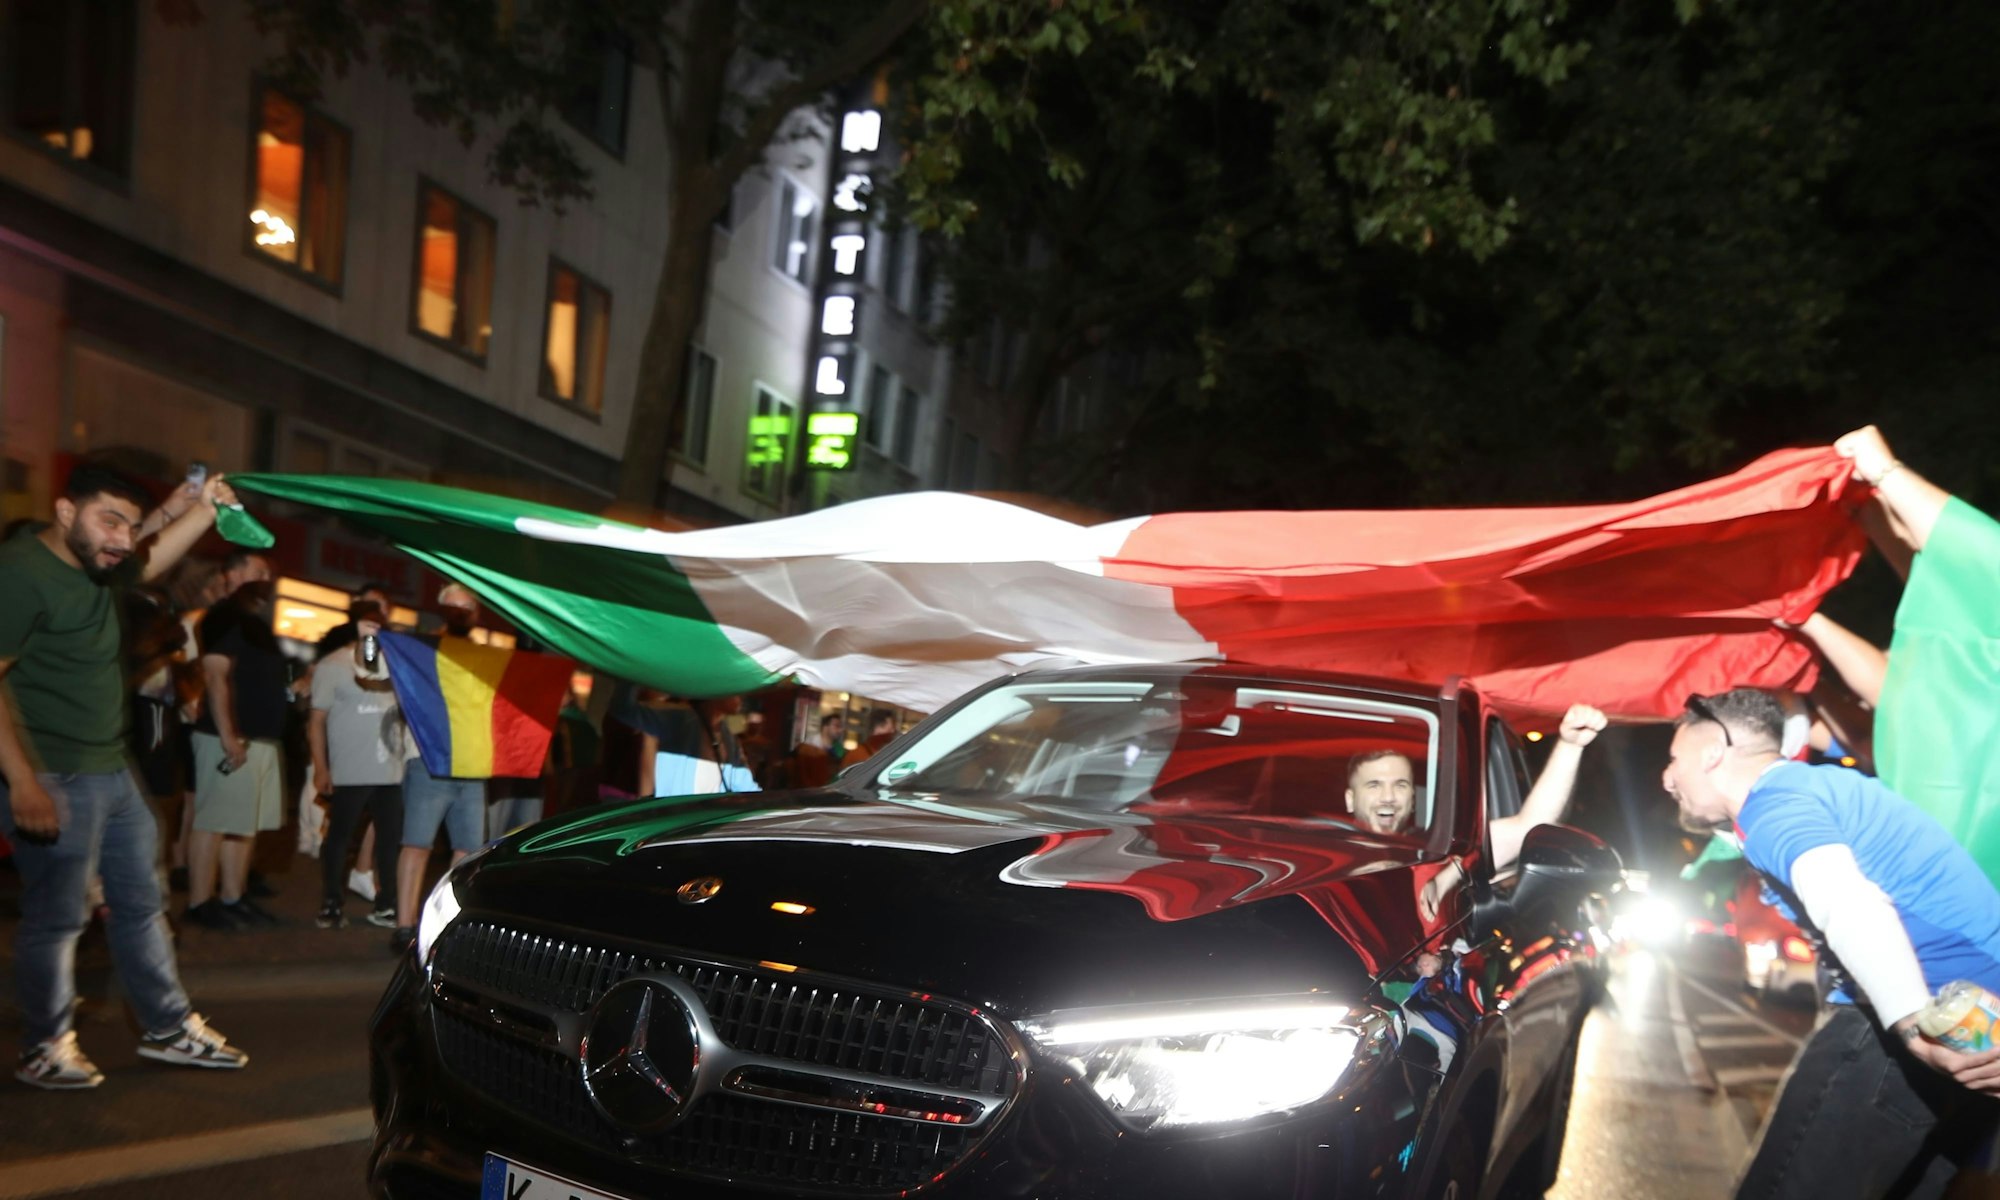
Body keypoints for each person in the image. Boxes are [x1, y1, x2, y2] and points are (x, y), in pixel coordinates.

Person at [1662, 687, 2000, 1197]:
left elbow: (1850, 904)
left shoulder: (1773, 807)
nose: (1667, 778)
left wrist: (1912, 1027)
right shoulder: (1818, 787)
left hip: (1927, 1020)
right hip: (1978, 1026)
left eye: (1673, 759)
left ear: (1713, 753)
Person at [0, 463, 250, 1089]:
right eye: (108, 520)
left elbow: (152, 557)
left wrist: (198, 509)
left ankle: (167, 1029)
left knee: (142, 907)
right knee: (58, 920)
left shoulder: (103, 564)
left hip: (113, 768)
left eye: (129, 526)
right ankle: (45, 1045)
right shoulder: (20, 573)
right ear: (64, 511)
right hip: (52, 773)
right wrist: (23, 782)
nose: (120, 539)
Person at [1344, 703, 1608, 872]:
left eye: (1400, 785)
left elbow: (1530, 825)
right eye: (1374, 785)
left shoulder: (1441, 855)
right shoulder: (1316, 859)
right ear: (1350, 799)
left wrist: (1569, 746)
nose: (1388, 797)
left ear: (1413, 799)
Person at [184, 574, 288, 929]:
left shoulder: (252, 624)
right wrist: (228, 734)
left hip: (258, 738)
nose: (264, 581)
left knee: (243, 825)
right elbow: (215, 675)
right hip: (228, 737)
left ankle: (233, 896)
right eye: (255, 570)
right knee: (213, 822)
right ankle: (199, 902)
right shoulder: (224, 616)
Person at [392, 583, 489, 951]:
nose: (463, 614)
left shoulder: (484, 658)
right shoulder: (423, 649)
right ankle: (403, 925)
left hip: (473, 765)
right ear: (443, 610)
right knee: (416, 845)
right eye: (457, 608)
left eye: (469, 608)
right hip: (430, 762)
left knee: (467, 851)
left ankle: (445, 921)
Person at [307, 588, 405, 930]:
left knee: (390, 840)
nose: (372, 630)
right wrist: (321, 767)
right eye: (366, 622)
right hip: (350, 770)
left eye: (378, 623)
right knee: (340, 838)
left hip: (390, 770)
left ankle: (387, 904)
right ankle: (331, 903)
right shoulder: (332, 665)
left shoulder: (396, 666)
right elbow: (316, 719)